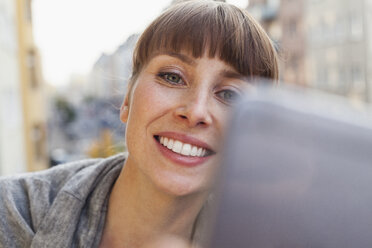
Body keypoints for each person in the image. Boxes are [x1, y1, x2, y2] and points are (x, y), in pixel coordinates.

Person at [0, 1, 278, 247]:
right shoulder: (12, 212)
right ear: (126, 101)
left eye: (230, 94)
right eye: (172, 77)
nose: (195, 112)